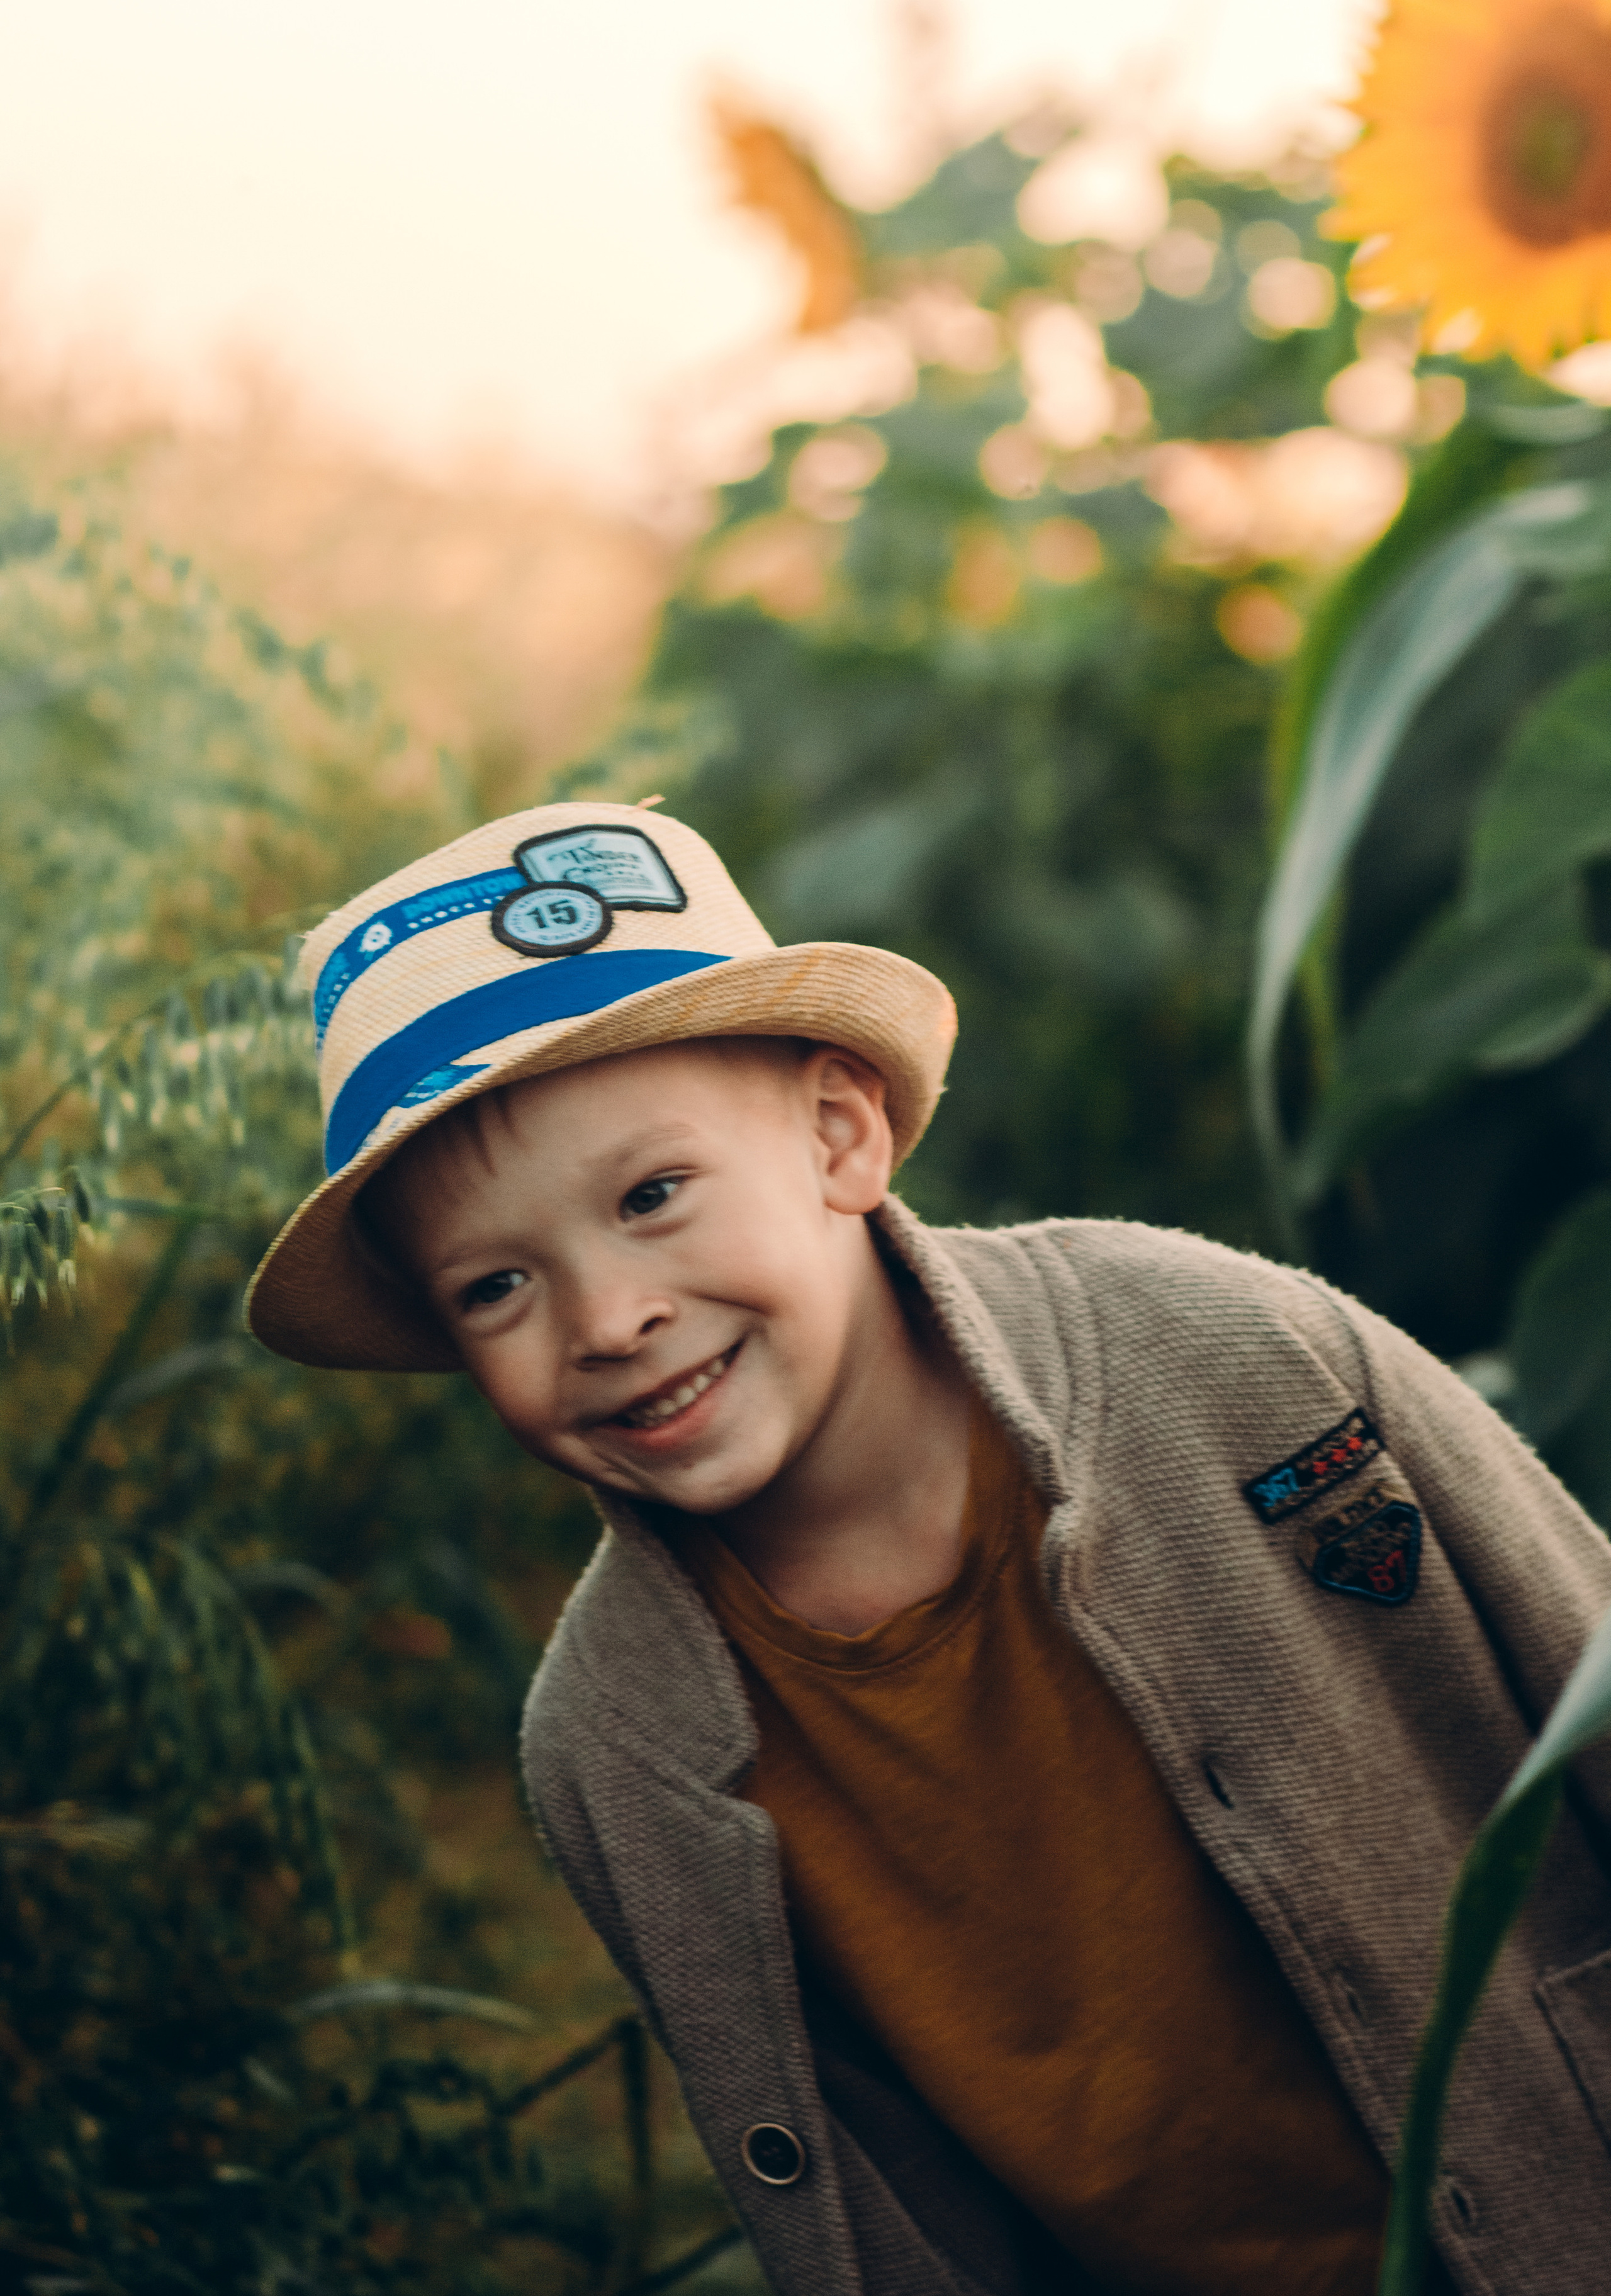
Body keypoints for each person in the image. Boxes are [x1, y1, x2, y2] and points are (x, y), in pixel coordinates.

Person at [249, 799, 1611, 2296]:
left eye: (651, 1197)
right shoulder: (616, 1751)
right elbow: (862, 2195)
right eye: (495, 1286)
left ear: (839, 1135)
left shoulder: (1232, 1358)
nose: (605, 1320)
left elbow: (1577, 1648)